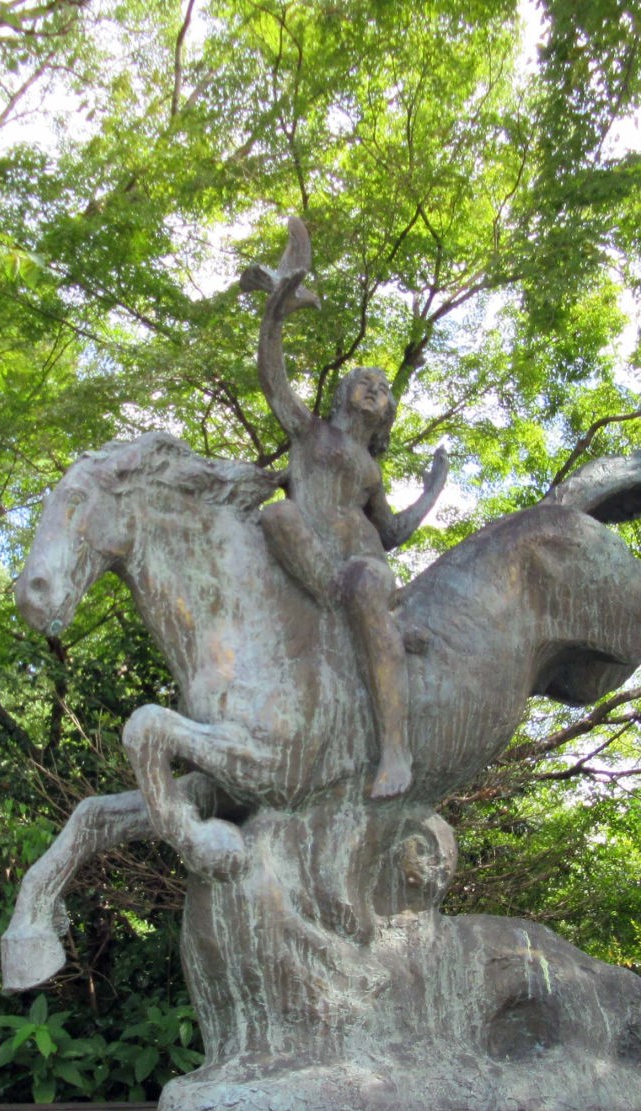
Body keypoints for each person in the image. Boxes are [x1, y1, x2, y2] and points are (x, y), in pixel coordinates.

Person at [241, 219, 447, 799]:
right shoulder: (310, 433)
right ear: (343, 393)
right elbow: (272, 378)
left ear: (386, 413)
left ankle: (395, 750)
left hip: (363, 566)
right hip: (315, 560)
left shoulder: (371, 470)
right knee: (276, 515)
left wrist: (432, 491)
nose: (376, 387)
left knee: (359, 581)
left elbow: (392, 530)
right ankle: (355, 611)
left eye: (384, 387)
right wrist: (275, 316)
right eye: (366, 381)